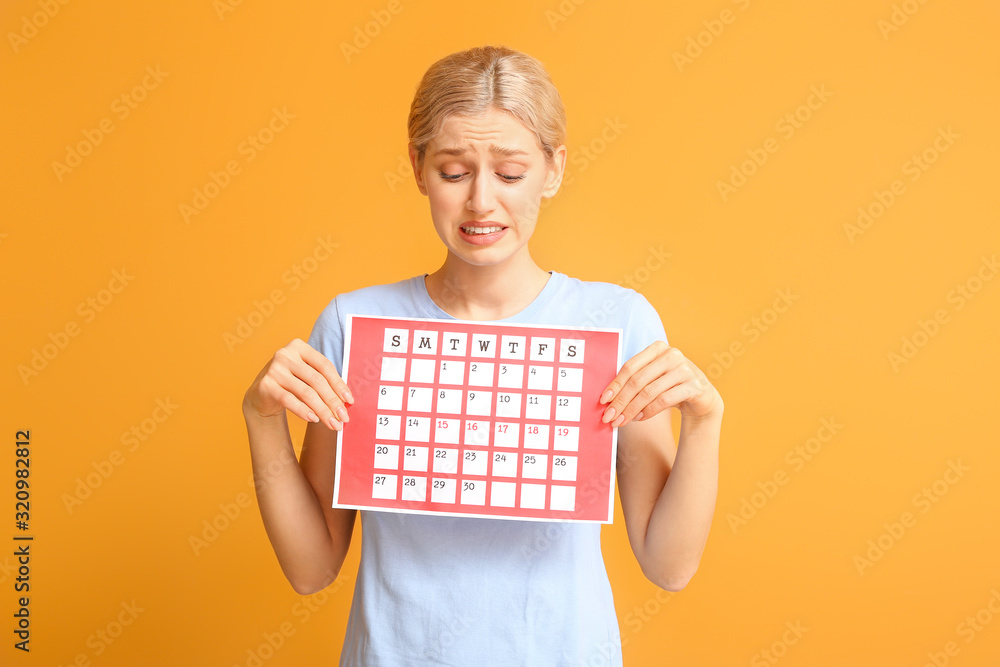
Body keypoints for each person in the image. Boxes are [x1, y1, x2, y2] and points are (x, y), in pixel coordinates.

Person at [243, 45, 722, 666]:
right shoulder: (356, 323)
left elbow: (669, 565)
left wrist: (705, 422)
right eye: (453, 172)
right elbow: (312, 569)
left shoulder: (617, 322)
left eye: (511, 173)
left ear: (553, 170)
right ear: (417, 168)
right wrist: (261, 419)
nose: (481, 203)